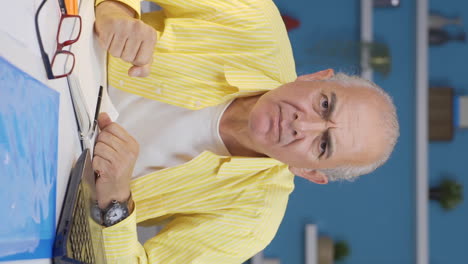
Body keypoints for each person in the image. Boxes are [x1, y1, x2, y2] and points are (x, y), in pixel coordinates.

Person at [91, 0, 400, 263]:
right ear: (314, 77)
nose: (300, 124)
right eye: (323, 104)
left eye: (322, 145)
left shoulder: (252, 223)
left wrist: (115, 199)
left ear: (308, 171)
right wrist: (115, 12)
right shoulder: (254, 16)